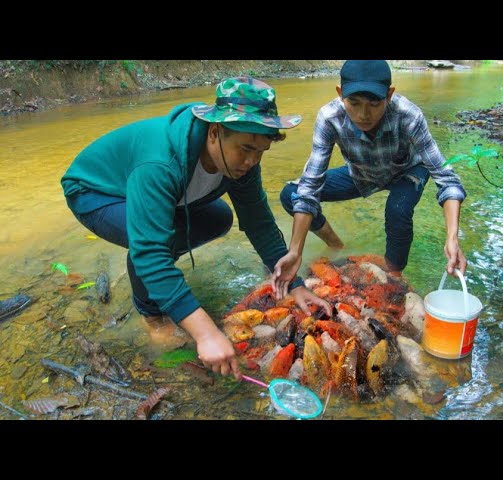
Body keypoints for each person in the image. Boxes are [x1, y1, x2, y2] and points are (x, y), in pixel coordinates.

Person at [61, 76, 331, 380]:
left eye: (260, 152)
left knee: (220, 218)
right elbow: (151, 252)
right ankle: (151, 315)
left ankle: (160, 279)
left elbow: (259, 222)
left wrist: (295, 286)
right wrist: (205, 332)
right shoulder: (161, 162)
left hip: (145, 190)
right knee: (156, 244)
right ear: (214, 132)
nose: (252, 161)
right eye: (245, 149)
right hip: (97, 192)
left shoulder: (241, 161)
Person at [272, 60, 467, 299]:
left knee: (397, 209)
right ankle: (336, 246)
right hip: (362, 173)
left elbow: (446, 177)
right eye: (354, 103)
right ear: (340, 94)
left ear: (390, 94)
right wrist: (295, 251)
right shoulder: (329, 117)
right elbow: (311, 184)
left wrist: (452, 238)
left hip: (407, 170)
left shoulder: (408, 115)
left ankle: (395, 280)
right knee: (291, 193)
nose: (364, 115)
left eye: (374, 104)